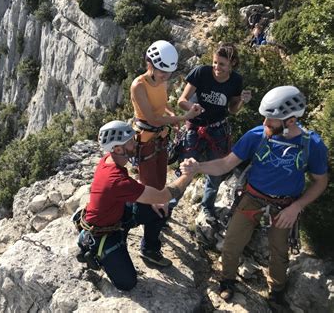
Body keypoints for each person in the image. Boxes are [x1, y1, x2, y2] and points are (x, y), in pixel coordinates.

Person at [180, 86, 328, 306]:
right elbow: (225, 164)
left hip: (285, 205)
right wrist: (198, 167)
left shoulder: (311, 145)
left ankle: (277, 290)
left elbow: (320, 181)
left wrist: (297, 207)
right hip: (253, 197)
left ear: (290, 121)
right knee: (232, 243)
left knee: (279, 253)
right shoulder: (257, 135)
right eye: (265, 118)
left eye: (271, 120)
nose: (265, 123)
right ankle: (227, 280)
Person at [76, 120, 195, 291]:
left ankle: (149, 249)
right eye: (130, 141)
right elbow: (163, 194)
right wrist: (187, 176)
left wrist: (150, 199)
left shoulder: (109, 160)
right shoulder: (116, 179)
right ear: (118, 149)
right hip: (103, 232)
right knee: (127, 283)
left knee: (159, 209)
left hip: (117, 215)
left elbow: (135, 190)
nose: (135, 143)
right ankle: (97, 251)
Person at [177, 43, 252, 225]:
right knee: (187, 169)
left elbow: (232, 109)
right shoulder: (201, 72)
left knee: (215, 174)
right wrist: (192, 107)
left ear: (232, 64)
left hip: (218, 129)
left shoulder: (235, 80)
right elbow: (182, 101)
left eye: (222, 64)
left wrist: (241, 101)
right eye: (215, 63)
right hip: (195, 128)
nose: (217, 68)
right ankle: (169, 205)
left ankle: (207, 208)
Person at [130, 40, 202, 217]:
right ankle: (144, 216)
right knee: (148, 183)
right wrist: (184, 118)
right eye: (163, 72)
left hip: (161, 137)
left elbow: (162, 104)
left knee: (161, 180)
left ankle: (155, 211)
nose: (166, 76)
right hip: (146, 139)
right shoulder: (138, 86)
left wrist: (171, 115)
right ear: (150, 64)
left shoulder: (161, 81)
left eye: (169, 73)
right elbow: (153, 119)